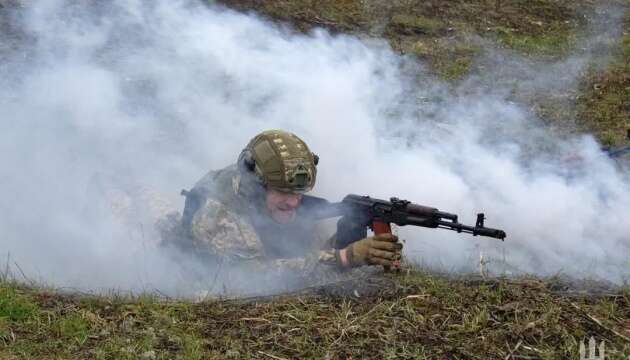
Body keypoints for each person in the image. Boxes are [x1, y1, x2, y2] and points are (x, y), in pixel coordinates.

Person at [169, 129, 403, 284]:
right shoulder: (220, 213)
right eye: (282, 192)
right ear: (256, 186)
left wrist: (349, 235)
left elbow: (305, 254)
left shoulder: (274, 194)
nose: (293, 202)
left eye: (299, 193)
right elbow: (251, 279)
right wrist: (345, 257)